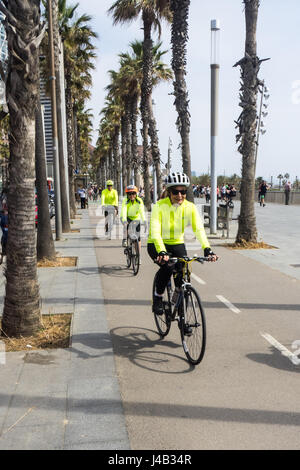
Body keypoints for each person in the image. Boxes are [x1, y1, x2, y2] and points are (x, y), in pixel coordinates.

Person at [147, 172, 218, 315]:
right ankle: (158, 297)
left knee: (183, 273)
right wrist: (161, 251)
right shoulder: (159, 206)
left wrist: (207, 249)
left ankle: (180, 311)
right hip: (156, 244)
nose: (180, 195)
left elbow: (198, 229)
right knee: (168, 267)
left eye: (183, 191)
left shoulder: (190, 207)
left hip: (177, 243)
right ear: (168, 191)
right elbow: (155, 231)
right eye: (175, 192)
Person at [121, 185, 145, 263]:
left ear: (136, 194)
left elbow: (142, 211)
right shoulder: (125, 201)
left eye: (133, 193)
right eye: (129, 194)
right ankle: (125, 239)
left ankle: (138, 256)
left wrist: (144, 220)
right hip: (127, 217)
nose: (131, 195)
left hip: (136, 218)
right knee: (125, 225)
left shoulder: (139, 201)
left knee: (137, 239)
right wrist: (124, 220)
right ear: (127, 195)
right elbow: (123, 211)